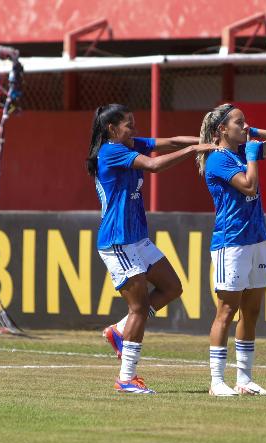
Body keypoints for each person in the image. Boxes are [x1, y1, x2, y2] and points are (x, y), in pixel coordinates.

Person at [87, 103, 215, 394]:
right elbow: (155, 165)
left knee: (172, 288)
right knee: (140, 308)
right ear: (112, 129)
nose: (134, 128)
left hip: (137, 238)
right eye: (128, 124)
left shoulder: (130, 143)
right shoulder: (112, 151)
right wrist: (196, 151)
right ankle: (126, 379)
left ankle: (118, 330)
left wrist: (205, 141)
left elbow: (168, 142)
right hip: (117, 241)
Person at [196, 103, 266, 396]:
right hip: (232, 243)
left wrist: (256, 133)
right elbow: (249, 187)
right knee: (227, 311)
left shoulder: (242, 151)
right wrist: (251, 154)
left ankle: (245, 379)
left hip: (256, 239)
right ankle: (216, 382)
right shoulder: (217, 159)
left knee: (251, 311)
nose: (244, 126)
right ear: (222, 130)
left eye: (245, 122)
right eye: (239, 123)